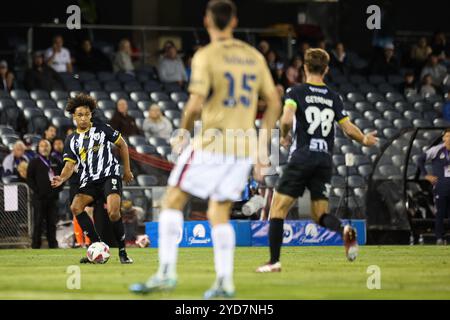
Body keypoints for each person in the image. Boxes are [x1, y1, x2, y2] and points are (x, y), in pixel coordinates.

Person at [129, 0, 281, 298]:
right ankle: (224, 282)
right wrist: (262, 148)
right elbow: (274, 100)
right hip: (243, 147)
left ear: (207, 22)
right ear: (234, 22)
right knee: (219, 212)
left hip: (213, 140)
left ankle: (166, 273)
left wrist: (183, 131)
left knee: (172, 200)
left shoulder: (206, 55)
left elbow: (196, 102)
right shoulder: (253, 57)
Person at [256, 48, 378, 273]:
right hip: (324, 160)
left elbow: (287, 117)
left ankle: (274, 262)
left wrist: (284, 134)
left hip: (302, 157)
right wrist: (365, 139)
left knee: (277, 210)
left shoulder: (295, 92)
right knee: (319, 215)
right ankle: (343, 230)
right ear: (326, 70)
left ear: (304, 67)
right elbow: (348, 128)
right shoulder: (333, 97)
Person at [51, 93, 134, 264]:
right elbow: (69, 166)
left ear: (91, 115)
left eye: (86, 114)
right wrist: (62, 178)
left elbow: (122, 144)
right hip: (89, 180)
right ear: (74, 116)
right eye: (79, 115)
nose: (83, 118)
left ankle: (123, 252)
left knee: (112, 212)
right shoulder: (71, 139)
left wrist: (127, 170)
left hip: (109, 175)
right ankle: (97, 245)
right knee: (76, 207)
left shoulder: (101, 128)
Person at [27, 139, 63, 249]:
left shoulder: (56, 161)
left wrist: (56, 190)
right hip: (39, 198)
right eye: (42, 146)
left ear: (50, 147)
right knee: (38, 222)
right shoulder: (34, 162)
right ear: (38, 148)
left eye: (46, 145)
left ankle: (53, 245)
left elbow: (62, 178)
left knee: (51, 223)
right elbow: (29, 179)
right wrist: (37, 192)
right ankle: (35, 245)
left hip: (53, 198)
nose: (44, 148)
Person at [417, 129, 450, 245]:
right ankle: (439, 238)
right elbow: (420, 159)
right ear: (443, 138)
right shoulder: (436, 150)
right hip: (441, 186)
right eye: (447, 136)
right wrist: (426, 175)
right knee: (440, 213)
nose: (449, 139)